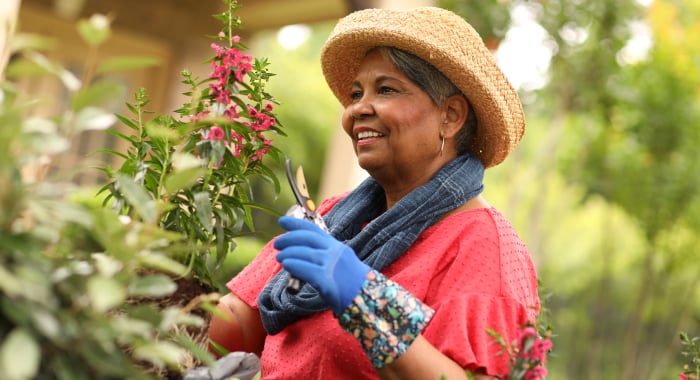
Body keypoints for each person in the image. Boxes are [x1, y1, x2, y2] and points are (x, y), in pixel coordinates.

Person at [207, 6, 540, 380]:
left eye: (385, 89)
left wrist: (363, 297)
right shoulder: (334, 217)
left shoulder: (483, 245)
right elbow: (238, 319)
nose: (357, 109)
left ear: (450, 115)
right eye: (355, 93)